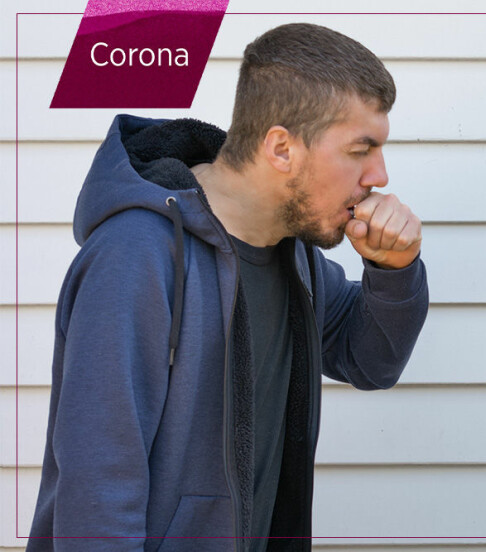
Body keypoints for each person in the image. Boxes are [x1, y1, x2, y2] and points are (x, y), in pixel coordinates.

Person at [29, 23, 429, 550]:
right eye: (361, 149)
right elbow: (97, 493)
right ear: (281, 149)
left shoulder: (295, 255)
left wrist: (394, 269)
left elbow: (371, 361)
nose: (379, 175)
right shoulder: (135, 255)